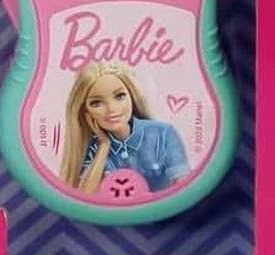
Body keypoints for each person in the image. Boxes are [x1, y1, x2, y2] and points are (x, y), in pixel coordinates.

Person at [59, 62, 190, 195]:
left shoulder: (163, 134)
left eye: (120, 96)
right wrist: (104, 145)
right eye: (96, 103)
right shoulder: (93, 148)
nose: (111, 109)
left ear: (131, 96)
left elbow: (182, 187)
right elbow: (84, 196)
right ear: (86, 113)